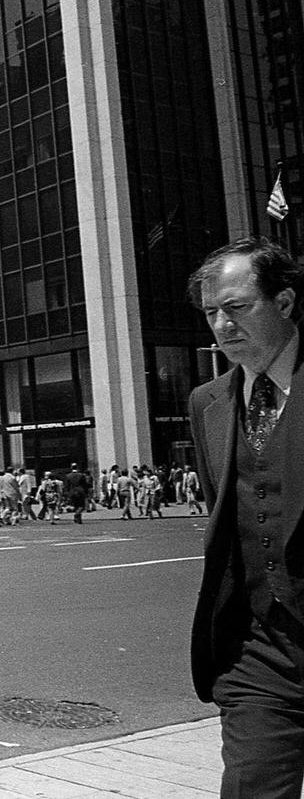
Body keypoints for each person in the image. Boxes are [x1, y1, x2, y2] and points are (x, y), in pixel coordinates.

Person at [186, 236, 304, 798]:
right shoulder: (207, 402)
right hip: (259, 653)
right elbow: (229, 517)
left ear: (283, 303)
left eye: (237, 307)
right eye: (213, 313)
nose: (223, 325)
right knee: (252, 785)